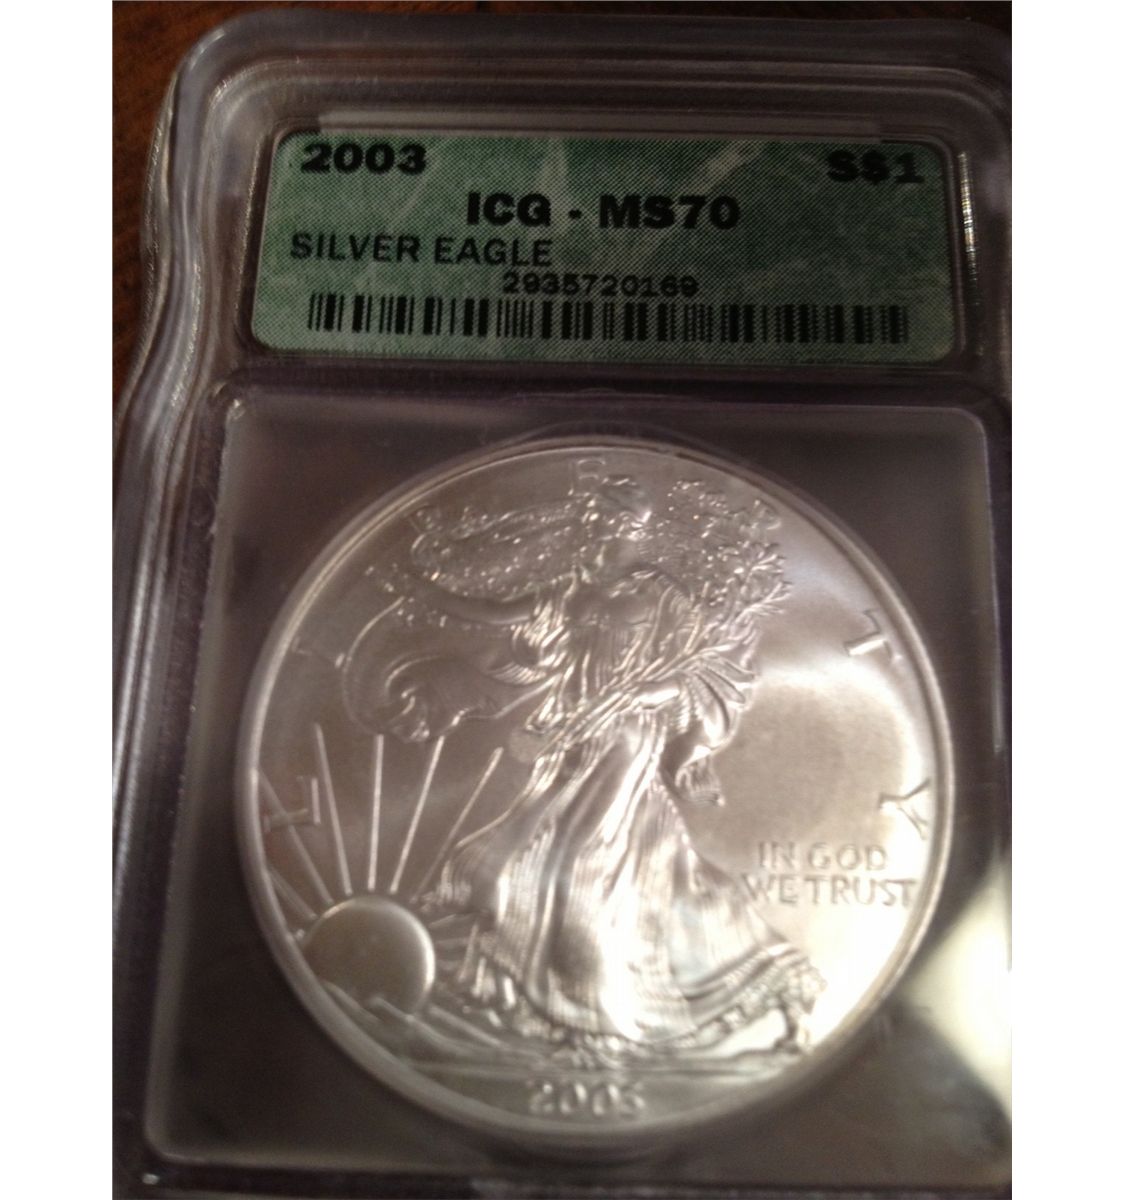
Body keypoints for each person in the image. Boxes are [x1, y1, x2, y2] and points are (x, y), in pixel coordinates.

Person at [345, 462, 821, 1055]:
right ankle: (547, 1007)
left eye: (608, 521)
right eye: (593, 519)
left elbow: (692, 672)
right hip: (569, 737)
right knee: (539, 855)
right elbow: (496, 613)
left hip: (623, 739)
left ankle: (599, 1018)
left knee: (578, 863)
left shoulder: (660, 596)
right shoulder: (571, 589)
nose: (597, 530)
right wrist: (424, 588)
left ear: (632, 529)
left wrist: (632, 695)